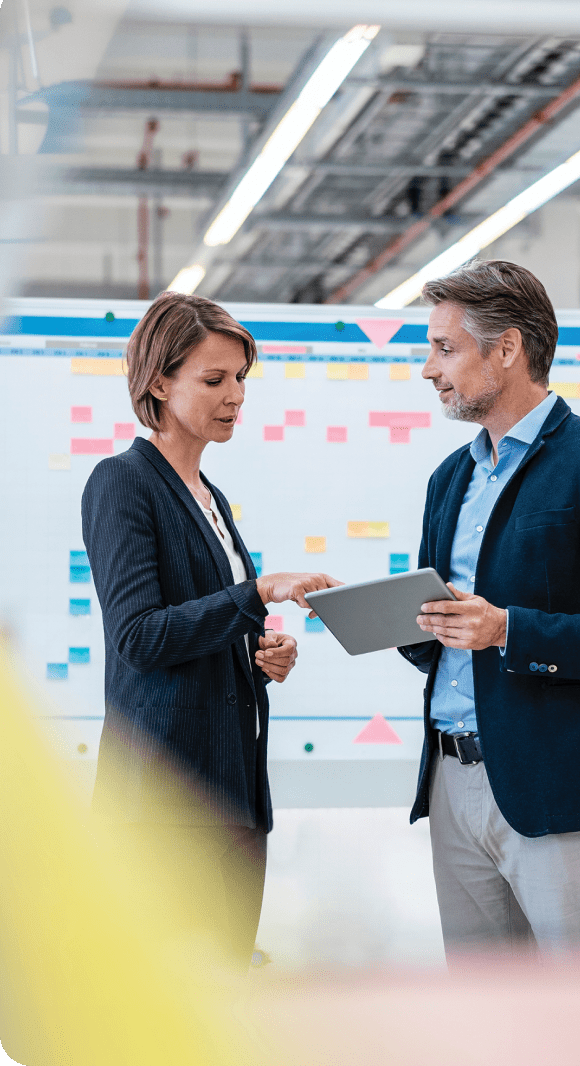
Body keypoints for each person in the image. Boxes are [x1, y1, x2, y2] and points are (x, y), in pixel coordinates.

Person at [81, 291, 340, 967]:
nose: (235, 397)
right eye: (214, 380)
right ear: (159, 381)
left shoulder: (211, 497)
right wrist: (255, 592)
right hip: (166, 803)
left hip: (232, 794)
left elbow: (200, 629)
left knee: (222, 998)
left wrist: (259, 655)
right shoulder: (122, 483)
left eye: (241, 381)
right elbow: (138, 637)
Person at [399, 260, 580, 966]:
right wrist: (402, 624)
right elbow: (446, 627)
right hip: (453, 781)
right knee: (489, 1020)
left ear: (506, 350)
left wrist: (508, 629)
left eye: (444, 349)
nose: (428, 369)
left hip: (560, 792)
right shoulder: (452, 477)